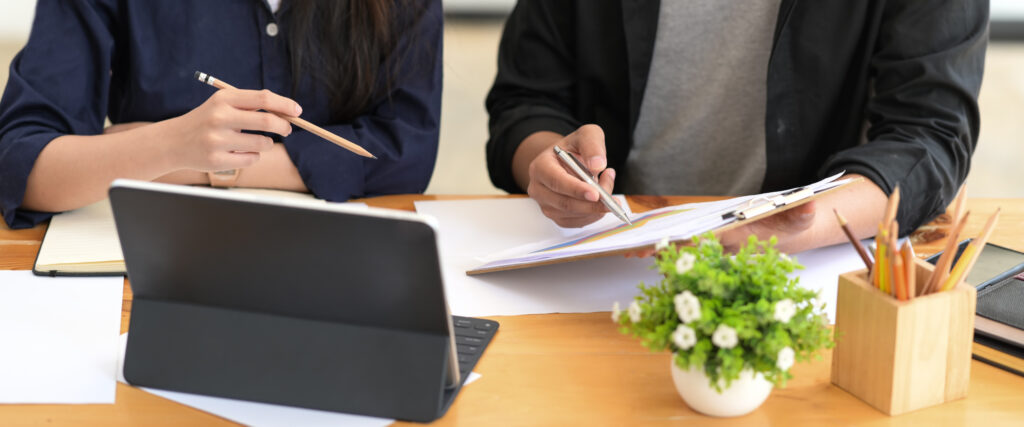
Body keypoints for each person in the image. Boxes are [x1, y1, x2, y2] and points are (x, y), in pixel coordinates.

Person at [485, 0, 986, 254]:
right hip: (610, 244)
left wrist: (799, 225)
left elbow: (929, 133)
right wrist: (550, 163)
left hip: (805, 258)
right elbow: (525, 100)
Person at [0, 0, 442, 229]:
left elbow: (404, 156)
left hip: (342, 262)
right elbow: (22, 167)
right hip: (151, 268)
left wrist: (190, 165)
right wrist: (172, 145)